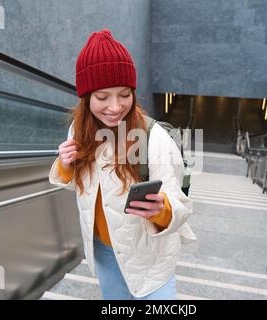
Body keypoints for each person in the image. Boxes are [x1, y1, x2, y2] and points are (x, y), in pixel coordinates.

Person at [49, 29, 196, 300]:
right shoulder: (78, 130)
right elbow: (84, 190)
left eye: (124, 94)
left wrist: (161, 209)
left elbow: (181, 207)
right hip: (104, 252)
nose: (115, 107)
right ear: (86, 97)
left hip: (150, 257)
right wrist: (65, 165)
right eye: (102, 97)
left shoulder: (154, 138)